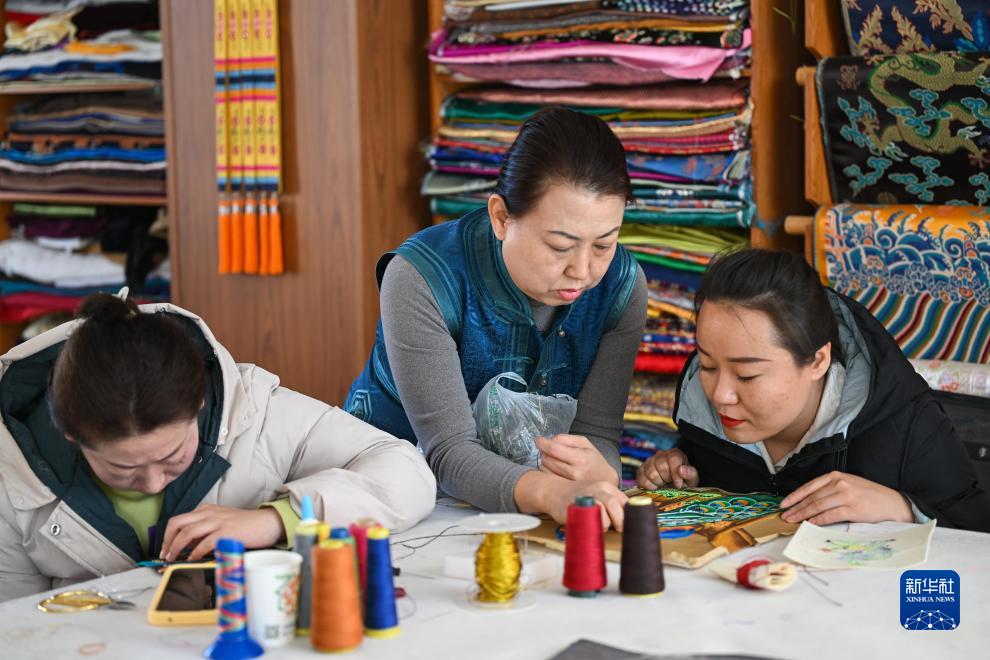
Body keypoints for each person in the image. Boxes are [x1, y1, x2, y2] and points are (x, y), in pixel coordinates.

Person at [0, 294, 437, 602]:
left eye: (171, 457)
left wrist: (278, 519)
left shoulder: (256, 413)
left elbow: (406, 471)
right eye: (122, 469)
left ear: (201, 404)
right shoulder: (11, 471)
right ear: (70, 434)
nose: (151, 483)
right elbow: (16, 631)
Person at [346, 108, 647, 530]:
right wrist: (550, 492)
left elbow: (598, 434)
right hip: (383, 499)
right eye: (561, 246)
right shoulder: (421, 278)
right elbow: (448, 451)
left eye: (603, 245)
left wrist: (602, 471)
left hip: (527, 507)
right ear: (501, 217)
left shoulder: (621, 287)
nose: (582, 271)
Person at [637, 248, 990, 532]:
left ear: (817, 361)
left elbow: (975, 524)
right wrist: (678, 476)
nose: (720, 395)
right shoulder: (705, 420)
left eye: (746, 375)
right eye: (708, 366)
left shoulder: (906, 424)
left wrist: (902, 508)